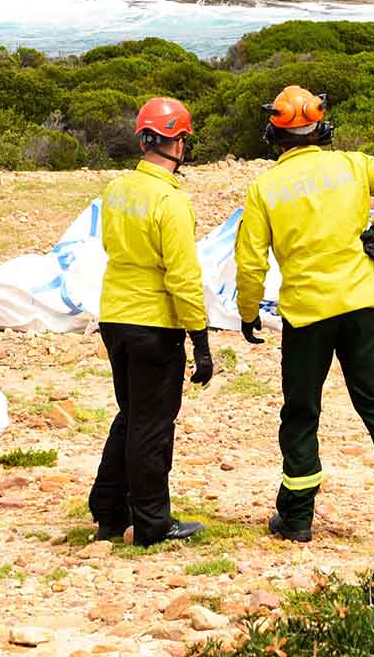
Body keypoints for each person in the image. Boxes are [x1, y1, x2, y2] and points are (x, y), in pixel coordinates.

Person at [235, 85, 374, 544]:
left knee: (301, 412)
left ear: (273, 134)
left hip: (307, 316)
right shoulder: (352, 165)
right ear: (322, 128)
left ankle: (298, 516)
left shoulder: (265, 188)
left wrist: (248, 312)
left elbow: (250, 261)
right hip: (360, 304)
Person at [86, 96, 212, 546]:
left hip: (115, 317)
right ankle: (153, 523)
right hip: (153, 323)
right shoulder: (171, 201)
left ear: (144, 139)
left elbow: (108, 245)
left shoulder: (116, 189)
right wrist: (199, 337)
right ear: (176, 143)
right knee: (153, 424)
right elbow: (182, 274)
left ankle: (109, 512)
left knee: (131, 414)